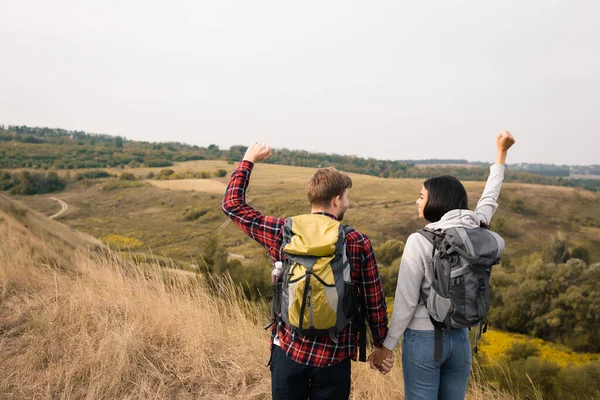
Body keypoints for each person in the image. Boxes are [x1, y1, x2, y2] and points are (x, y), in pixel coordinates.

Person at [222, 142, 393, 400]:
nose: (348, 201)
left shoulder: (283, 232)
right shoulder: (357, 241)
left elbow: (232, 205)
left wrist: (248, 160)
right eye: (346, 196)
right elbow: (373, 303)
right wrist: (381, 346)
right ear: (336, 199)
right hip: (334, 358)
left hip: (289, 351)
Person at [369, 131, 516, 400]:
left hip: (423, 340)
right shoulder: (477, 229)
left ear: (436, 200)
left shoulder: (419, 239)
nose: (418, 200)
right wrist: (501, 154)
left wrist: (387, 346)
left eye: (422, 195)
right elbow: (489, 198)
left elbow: (405, 302)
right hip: (460, 338)